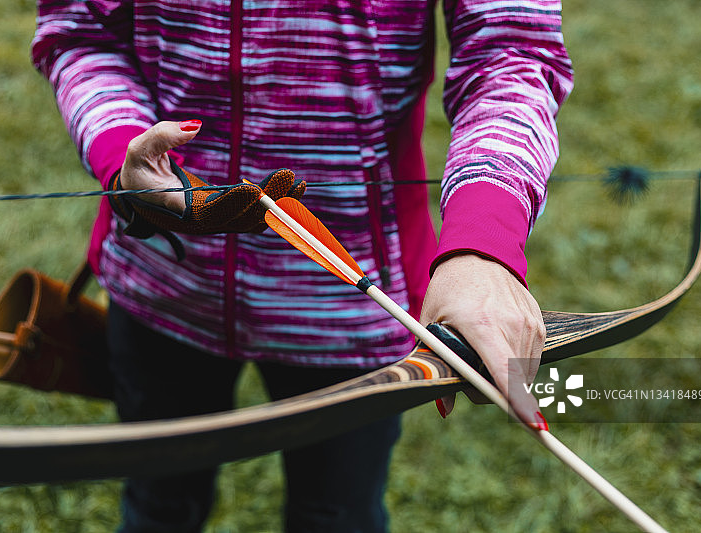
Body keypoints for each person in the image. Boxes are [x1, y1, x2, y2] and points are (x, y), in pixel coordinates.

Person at [32, 1, 573, 531]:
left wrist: (483, 243)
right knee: (159, 505)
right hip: (163, 277)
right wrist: (122, 147)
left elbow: (509, 50)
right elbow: (82, 30)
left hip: (349, 300)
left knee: (337, 516)